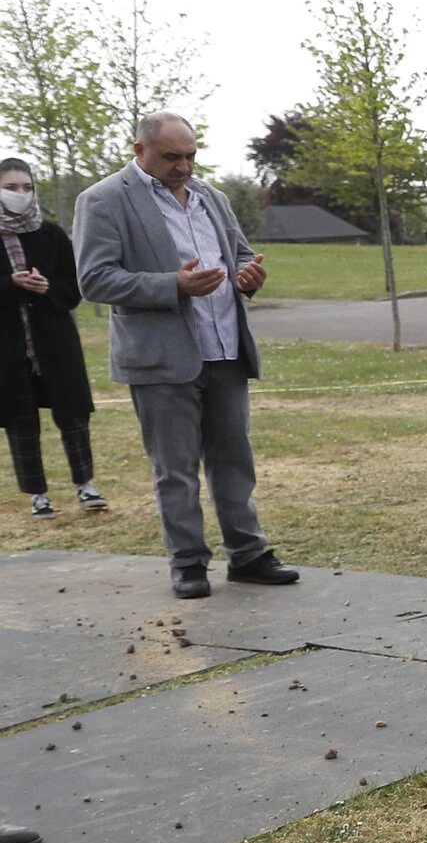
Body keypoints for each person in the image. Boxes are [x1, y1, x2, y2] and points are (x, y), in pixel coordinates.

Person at [75, 114, 297, 600]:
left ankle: (248, 554)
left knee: (235, 461)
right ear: (140, 150)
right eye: (171, 157)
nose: (184, 166)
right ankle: (189, 562)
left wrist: (248, 275)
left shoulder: (211, 197)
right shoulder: (103, 200)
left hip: (225, 350)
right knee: (174, 468)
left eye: (190, 155)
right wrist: (171, 285)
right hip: (161, 361)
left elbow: (240, 254)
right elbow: (94, 279)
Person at [1, 158, 104, 519]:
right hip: (10, 348)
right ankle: (37, 494)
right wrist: (11, 286)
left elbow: (74, 288)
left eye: (26, 187)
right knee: (21, 420)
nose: (20, 195)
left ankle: (86, 485)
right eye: (11, 188)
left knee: (73, 414)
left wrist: (48, 289)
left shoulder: (52, 234)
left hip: (55, 343)